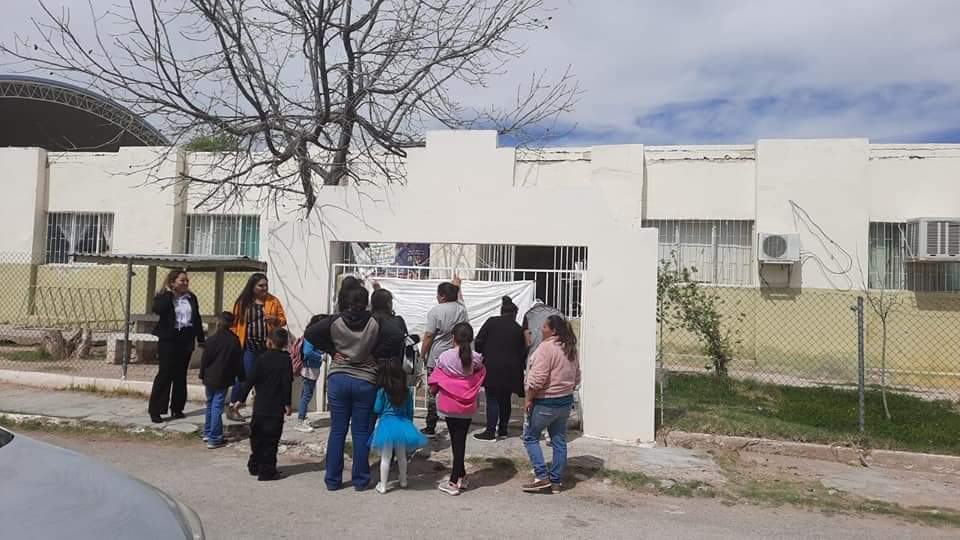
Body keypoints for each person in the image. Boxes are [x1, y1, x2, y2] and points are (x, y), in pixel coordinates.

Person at [304, 286, 381, 491]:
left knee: (337, 431)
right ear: (366, 301)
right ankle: (361, 480)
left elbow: (310, 333)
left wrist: (331, 350)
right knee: (361, 432)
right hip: (365, 379)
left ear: (344, 301)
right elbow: (394, 336)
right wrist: (376, 356)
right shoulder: (375, 322)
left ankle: (333, 480)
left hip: (338, 377)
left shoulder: (335, 321)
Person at [521, 315, 581, 495]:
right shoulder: (570, 348)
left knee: (530, 437)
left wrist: (529, 399)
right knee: (559, 440)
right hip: (564, 401)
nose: (541, 329)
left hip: (545, 401)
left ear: (553, 330)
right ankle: (556, 481)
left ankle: (541, 475)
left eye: (545, 327)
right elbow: (577, 376)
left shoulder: (546, 348)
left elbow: (537, 379)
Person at [428, 322, 485, 496]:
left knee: (456, 441)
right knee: (460, 440)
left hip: (449, 404)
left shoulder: (445, 356)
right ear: (471, 338)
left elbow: (436, 377)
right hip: (468, 404)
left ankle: (453, 481)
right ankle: (462, 475)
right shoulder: (476, 358)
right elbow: (480, 372)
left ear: (453, 338)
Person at [228, 273, 287, 421]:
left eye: (266, 285)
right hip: (248, 346)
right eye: (261, 285)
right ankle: (233, 406)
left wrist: (275, 320)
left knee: (265, 378)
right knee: (245, 377)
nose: (264, 288)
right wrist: (235, 341)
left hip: (267, 347)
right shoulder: (243, 302)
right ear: (252, 287)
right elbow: (234, 324)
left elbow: (283, 320)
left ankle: (262, 407)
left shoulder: (273, 301)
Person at [149, 269, 205, 424]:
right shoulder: (164, 297)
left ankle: (177, 408)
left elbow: (196, 318)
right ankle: (156, 410)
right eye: (182, 281)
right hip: (169, 339)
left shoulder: (191, 297)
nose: (185, 283)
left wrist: (200, 338)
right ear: (172, 283)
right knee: (165, 373)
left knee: (180, 375)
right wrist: (170, 294)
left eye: (187, 281)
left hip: (186, 337)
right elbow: (157, 309)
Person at [369, 359, 427, 494]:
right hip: (402, 424)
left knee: (385, 457)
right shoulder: (407, 391)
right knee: (401, 456)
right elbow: (410, 411)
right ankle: (403, 480)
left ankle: (383, 485)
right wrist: (409, 425)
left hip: (386, 425)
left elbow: (377, 408)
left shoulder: (383, 391)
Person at [474, 296, 527, 441]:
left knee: (492, 399)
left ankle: (490, 431)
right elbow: (523, 351)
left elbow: (478, 341)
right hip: (511, 370)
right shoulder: (518, 329)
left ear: (501, 311)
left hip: (492, 367)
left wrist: (483, 353)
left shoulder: (491, 322)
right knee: (505, 399)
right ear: (515, 314)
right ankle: (503, 430)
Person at [420, 277, 468, 436]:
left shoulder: (436, 311)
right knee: (453, 389)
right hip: (455, 355)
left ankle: (431, 425)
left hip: (436, 356)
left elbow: (429, 335)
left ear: (442, 296)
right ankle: (453, 419)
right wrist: (458, 286)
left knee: (433, 391)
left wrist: (422, 354)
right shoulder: (461, 309)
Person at [246, 327, 294, 482]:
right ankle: (267, 471)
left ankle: (255, 465)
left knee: (257, 437)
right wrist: (287, 403)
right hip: (275, 408)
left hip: (260, 406)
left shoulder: (261, 358)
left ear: (269, 342)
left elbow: (250, 380)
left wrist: (239, 400)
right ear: (285, 344)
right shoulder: (286, 360)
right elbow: (286, 383)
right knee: (271, 440)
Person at [198, 311, 244, 449]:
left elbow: (204, 359)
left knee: (210, 404)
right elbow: (238, 362)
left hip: (209, 376)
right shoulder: (234, 341)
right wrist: (242, 377)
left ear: (218, 322)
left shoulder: (211, 340)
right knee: (217, 406)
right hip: (223, 377)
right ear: (232, 324)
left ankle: (208, 433)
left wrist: (202, 374)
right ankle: (214, 438)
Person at [294, 314, 328, 433]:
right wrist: (320, 357)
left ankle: (302, 416)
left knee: (305, 394)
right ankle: (300, 420)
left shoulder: (314, 335)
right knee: (307, 395)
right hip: (309, 369)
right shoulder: (311, 335)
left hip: (312, 369)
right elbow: (307, 352)